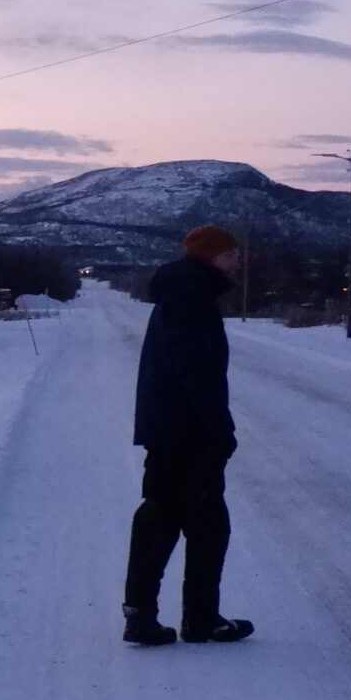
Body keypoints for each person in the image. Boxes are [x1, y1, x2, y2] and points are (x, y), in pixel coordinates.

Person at [124, 224, 255, 646]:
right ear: (211, 255)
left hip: (167, 427)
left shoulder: (182, 289)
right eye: (232, 253)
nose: (237, 260)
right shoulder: (191, 295)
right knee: (206, 524)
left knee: (161, 518)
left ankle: (142, 615)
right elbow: (196, 370)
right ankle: (199, 619)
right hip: (187, 431)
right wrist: (219, 427)